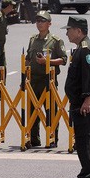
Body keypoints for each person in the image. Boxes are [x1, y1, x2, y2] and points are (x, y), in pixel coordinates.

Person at [62, 16, 90, 178]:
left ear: (79, 31)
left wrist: (87, 98)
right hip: (80, 102)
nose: (66, 33)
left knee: (85, 139)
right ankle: (85, 174)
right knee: (82, 138)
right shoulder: (81, 48)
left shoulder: (86, 50)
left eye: (69, 29)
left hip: (83, 104)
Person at [25, 10, 67, 148]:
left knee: (51, 111)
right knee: (32, 110)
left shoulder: (55, 41)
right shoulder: (32, 39)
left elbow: (63, 59)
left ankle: (52, 137)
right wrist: (24, 78)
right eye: (37, 21)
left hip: (48, 80)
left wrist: (47, 62)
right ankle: (34, 139)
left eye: (42, 21)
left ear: (49, 24)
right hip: (33, 80)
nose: (39, 23)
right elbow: (27, 59)